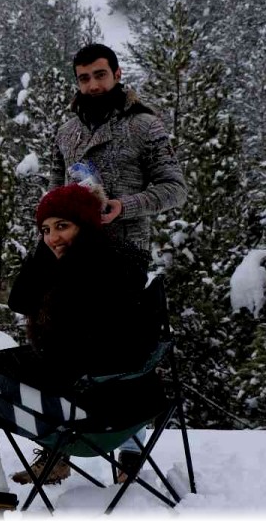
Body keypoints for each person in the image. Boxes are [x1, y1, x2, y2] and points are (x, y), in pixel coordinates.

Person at [0, 184, 163, 514]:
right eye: (45, 230)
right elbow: (22, 301)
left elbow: (61, 363)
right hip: (116, 404)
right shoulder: (104, 263)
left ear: (87, 225)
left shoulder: (95, 277)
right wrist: (52, 247)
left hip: (94, 417)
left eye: (63, 226)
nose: (51, 237)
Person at [20, 42, 187, 485]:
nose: (92, 84)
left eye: (99, 75)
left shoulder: (144, 126)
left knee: (120, 354)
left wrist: (124, 205)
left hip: (124, 257)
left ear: (116, 74)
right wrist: (51, 229)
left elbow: (175, 188)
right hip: (72, 258)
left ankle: (129, 454)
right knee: (58, 348)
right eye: (84, 77)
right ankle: (56, 446)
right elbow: (53, 190)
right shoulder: (67, 129)